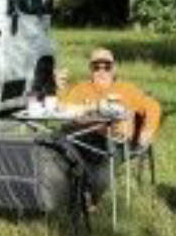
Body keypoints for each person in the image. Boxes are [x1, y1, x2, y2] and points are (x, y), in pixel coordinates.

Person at [55, 47, 162, 198]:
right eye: (96, 67)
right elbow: (63, 107)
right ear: (90, 69)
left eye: (107, 67)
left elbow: (152, 106)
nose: (102, 71)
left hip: (115, 140)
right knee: (56, 146)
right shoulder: (82, 89)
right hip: (83, 136)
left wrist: (147, 131)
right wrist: (59, 88)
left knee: (101, 174)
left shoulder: (126, 89)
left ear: (114, 69)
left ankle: (87, 199)